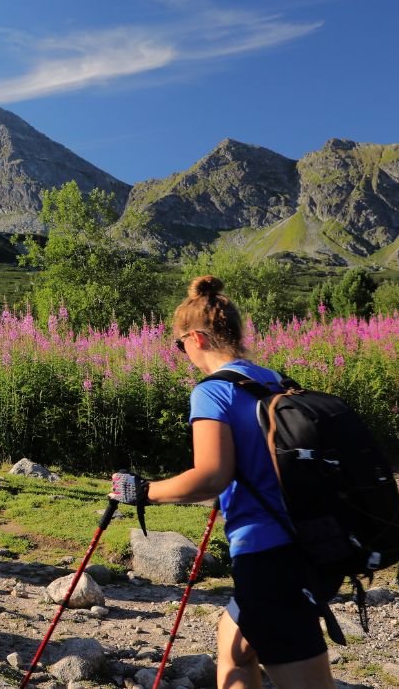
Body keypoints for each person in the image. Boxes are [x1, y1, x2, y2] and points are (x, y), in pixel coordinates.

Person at [109, 276, 337, 689]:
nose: (180, 353)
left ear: (196, 338)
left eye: (178, 345)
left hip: (267, 551)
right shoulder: (274, 379)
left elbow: (210, 476)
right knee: (232, 640)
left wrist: (143, 491)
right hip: (306, 539)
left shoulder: (212, 392)